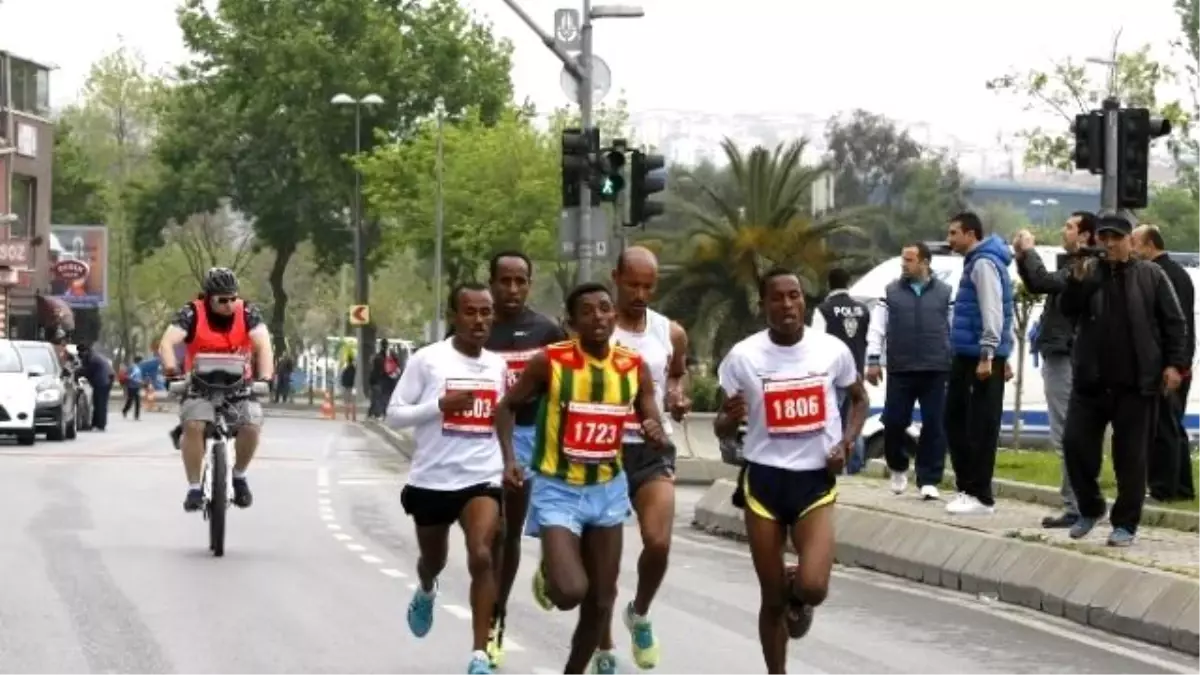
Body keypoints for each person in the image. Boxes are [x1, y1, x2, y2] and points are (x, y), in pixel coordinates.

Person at [496, 282, 670, 675]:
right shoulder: (549, 362)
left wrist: (652, 427)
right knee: (571, 592)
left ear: (614, 315)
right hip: (558, 489)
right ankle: (552, 572)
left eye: (605, 309)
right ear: (571, 322)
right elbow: (506, 407)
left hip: (607, 490)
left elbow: (648, 410)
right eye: (587, 312)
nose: (599, 317)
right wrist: (509, 459)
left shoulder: (631, 365)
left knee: (603, 601)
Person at [713, 268, 868, 675]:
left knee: (813, 588)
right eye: (777, 298)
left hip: (814, 479)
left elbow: (858, 398)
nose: (787, 305)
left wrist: (847, 443)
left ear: (805, 301)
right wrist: (728, 420)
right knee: (772, 597)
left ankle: (799, 590)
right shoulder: (743, 357)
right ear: (763, 305)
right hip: (763, 480)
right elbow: (721, 424)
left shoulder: (831, 350)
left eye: (794, 296)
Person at [386, 282, 513, 675]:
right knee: (433, 560)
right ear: (454, 316)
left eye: (486, 312)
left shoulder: (498, 365)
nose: (479, 320)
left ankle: (479, 655)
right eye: (471, 312)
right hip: (433, 479)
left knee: (481, 555)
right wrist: (440, 405)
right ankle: (426, 588)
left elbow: (503, 417)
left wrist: (509, 461)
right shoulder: (428, 361)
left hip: (482, 476)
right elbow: (394, 414)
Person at [1060, 213, 1189, 546]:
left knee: (1131, 458)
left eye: (1117, 237)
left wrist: (1176, 365)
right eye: (1105, 237)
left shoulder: (1151, 275)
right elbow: (1068, 309)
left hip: (1136, 383)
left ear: (1131, 241)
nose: (1110, 243)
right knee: (1075, 445)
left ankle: (1126, 524)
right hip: (1090, 381)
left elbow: (1175, 323)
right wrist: (1075, 279)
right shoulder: (1089, 273)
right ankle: (1090, 507)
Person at [593, 246, 690, 671]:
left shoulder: (670, 332)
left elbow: (676, 373)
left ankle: (641, 613)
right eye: (632, 283)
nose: (639, 293)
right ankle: (604, 649)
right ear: (615, 277)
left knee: (659, 542)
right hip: (603, 449)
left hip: (652, 448)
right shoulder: (596, 328)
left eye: (648, 285)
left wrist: (677, 395)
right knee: (603, 563)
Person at [482, 251, 566, 668]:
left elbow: (564, 390)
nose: (512, 290)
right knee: (488, 533)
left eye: (521, 281)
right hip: (482, 438)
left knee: (509, 531)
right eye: (504, 281)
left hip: (532, 438)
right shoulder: (477, 325)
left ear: (529, 284)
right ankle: (491, 610)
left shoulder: (547, 330)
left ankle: (498, 615)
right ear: (492, 282)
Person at [159, 267, 274, 512]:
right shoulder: (191, 313)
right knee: (193, 425)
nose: (229, 304)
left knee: (251, 426)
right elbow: (167, 343)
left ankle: (239, 476)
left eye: (233, 298)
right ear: (208, 297)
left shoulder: (248, 312)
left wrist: (265, 377)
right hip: (199, 388)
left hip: (239, 386)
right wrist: (171, 372)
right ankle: (193, 488)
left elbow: (264, 345)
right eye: (222, 300)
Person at [1012, 212, 1097, 527]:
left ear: (1086, 236)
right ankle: (1076, 502)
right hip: (1061, 352)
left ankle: (1077, 505)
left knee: (1066, 433)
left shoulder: (1082, 267)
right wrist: (1023, 257)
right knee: (1067, 433)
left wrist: (1029, 251)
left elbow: (1043, 282)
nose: (1064, 231)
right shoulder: (1074, 264)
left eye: (1070, 226)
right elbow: (1038, 284)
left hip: (1066, 355)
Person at [864, 242, 953, 499]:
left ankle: (929, 479)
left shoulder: (945, 293)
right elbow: (877, 329)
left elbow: (952, 328)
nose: (904, 264)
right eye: (903, 259)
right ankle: (898, 466)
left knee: (934, 425)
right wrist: (872, 360)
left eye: (909, 260)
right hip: (901, 368)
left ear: (925, 263)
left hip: (935, 368)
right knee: (893, 422)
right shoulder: (890, 293)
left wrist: (955, 361)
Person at [944, 212, 1014, 516]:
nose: (949, 240)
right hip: (969, 355)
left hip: (979, 358)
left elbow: (992, 309)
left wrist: (989, 354)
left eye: (953, 233)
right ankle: (969, 488)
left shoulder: (984, 264)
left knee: (977, 427)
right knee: (956, 420)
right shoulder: (976, 262)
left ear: (970, 234)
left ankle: (978, 493)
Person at [1133, 224, 1197, 503]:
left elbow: (1176, 324)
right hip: (1177, 362)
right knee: (1173, 425)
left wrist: (1174, 363)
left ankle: (1162, 488)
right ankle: (1181, 486)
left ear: (1149, 245)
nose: (1132, 249)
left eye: (1135, 243)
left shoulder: (1164, 275)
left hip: (1169, 364)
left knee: (1163, 427)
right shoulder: (1176, 273)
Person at [812, 268, 869, 475]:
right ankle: (855, 467)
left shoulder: (823, 310)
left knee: (832, 420)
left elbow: (816, 344)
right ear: (848, 282)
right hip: (856, 373)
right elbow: (867, 340)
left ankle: (834, 464)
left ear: (829, 284)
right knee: (855, 419)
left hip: (833, 376)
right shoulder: (863, 310)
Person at [79, 344, 114, 431]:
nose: (80, 355)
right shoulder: (94, 356)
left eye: (81, 352)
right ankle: (95, 424)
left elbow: (87, 371)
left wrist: (77, 373)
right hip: (106, 380)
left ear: (85, 351)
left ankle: (100, 425)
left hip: (103, 382)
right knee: (97, 403)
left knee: (100, 404)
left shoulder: (92, 359)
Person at [122, 355, 144, 420]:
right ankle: (124, 411)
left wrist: (140, 382)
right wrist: (137, 381)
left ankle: (136, 416)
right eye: (141, 361)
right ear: (138, 361)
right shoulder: (132, 367)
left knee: (137, 401)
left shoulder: (138, 368)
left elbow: (138, 377)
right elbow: (128, 377)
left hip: (137, 387)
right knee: (130, 401)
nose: (142, 362)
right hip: (131, 387)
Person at [340, 356, 358, 421]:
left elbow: (342, 378)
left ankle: (346, 416)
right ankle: (354, 417)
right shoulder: (355, 369)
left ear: (347, 361)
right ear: (352, 361)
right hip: (354, 388)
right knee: (354, 402)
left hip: (346, 387)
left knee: (346, 402)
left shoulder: (345, 369)